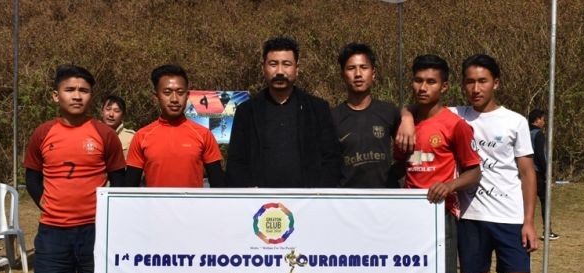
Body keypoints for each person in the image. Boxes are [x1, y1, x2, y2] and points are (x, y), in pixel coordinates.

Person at [398, 54, 544, 273]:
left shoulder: (516, 121)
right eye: (470, 81)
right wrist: (406, 116)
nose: (475, 88)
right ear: (460, 84)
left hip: (508, 220)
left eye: (482, 81)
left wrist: (528, 221)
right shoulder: (455, 115)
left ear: (496, 83)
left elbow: (527, 172)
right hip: (471, 218)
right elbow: (419, 104)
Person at [20, 64, 126, 273]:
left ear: (91, 96)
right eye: (70, 89)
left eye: (83, 90)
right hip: (53, 232)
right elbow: (32, 178)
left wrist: (104, 213)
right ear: (56, 95)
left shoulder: (104, 134)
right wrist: (48, 205)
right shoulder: (42, 133)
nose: (77, 95)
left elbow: (119, 179)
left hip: (95, 231)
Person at [393, 54, 481, 273]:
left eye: (431, 82)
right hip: (409, 218)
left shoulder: (455, 125)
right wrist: (404, 116)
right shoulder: (407, 122)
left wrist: (450, 186)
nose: (423, 87)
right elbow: (402, 165)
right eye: (418, 80)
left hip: (440, 216)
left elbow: (475, 169)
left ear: (444, 86)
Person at [225, 36, 341, 188]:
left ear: (297, 69)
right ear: (263, 67)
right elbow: (236, 162)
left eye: (286, 64)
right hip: (260, 205)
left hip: (308, 203)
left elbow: (332, 159)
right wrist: (252, 195)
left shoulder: (318, 109)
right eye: (273, 64)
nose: (280, 71)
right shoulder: (246, 112)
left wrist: (317, 195)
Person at [125, 64, 224, 188]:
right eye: (167, 93)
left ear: (187, 96)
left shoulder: (204, 135)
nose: (174, 99)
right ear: (156, 97)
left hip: (193, 207)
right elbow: (129, 187)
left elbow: (218, 184)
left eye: (180, 92)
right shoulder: (141, 136)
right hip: (154, 207)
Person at [331, 43, 401, 188]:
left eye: (364, 67)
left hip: (384, 200)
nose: (358, 74)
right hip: (345, 202)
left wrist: (392, 175)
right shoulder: (332, 117)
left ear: (373, 73)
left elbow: (412, 154)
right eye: (351, 68)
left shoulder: (389, 112)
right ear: (343, 75)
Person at [528, 109, 558, 240]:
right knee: (545, 200)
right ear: (537, 120)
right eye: (543, 119)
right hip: (537, 173)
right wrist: (547, 170)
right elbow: (540, 154)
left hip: (525, 173)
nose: (544, 122)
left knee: (527, 202)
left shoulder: (525, 133)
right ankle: (547, 231)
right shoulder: (538, 134)